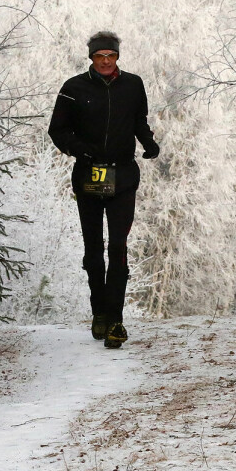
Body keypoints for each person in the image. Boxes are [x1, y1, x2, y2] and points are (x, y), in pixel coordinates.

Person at [49, 31, 160, 349]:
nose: (106, 61)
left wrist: (148, 142)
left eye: (110, 55)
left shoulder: (133, 85)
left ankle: (115, 320)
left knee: (118, 248)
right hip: (90, 174)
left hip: (123, 174)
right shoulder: (73, 88)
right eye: (100, 56)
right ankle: (99, 310)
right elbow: (57, 130)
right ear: (91, 58)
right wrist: (81, 150)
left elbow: (139, 120)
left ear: (117, 57)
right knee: (94, 249)